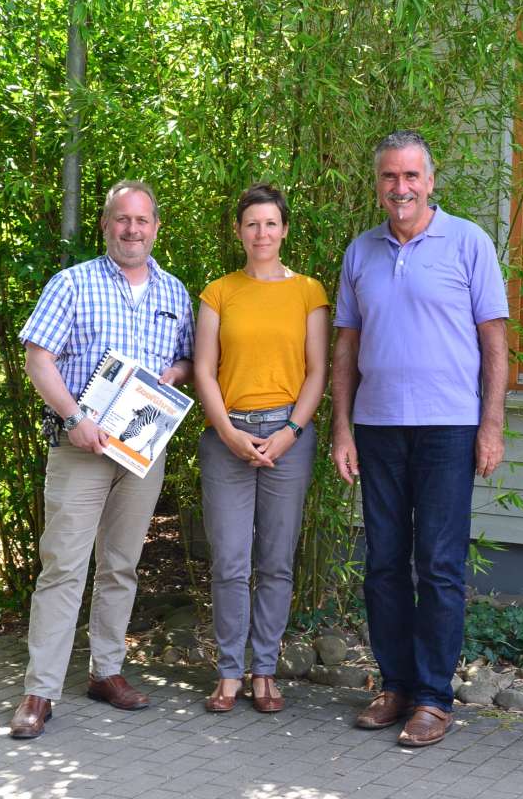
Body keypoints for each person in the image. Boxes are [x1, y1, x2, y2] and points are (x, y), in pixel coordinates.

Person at [332, 131, 509, 747]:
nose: (400, 188)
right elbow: (347, 349)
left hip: (449, 430)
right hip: (378, 430)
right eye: (389, 177)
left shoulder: (468, 242)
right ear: (377, 184)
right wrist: (341, 431)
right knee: (382, 565)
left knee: (437, 567)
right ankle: (395, 686)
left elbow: (494, 343)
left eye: (411, 176)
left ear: (430, 182)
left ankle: (434, 698)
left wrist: (491, 426)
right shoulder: (361, 252)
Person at [10, 181, 195, 738]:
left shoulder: (175, 292)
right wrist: (73, 418)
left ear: (156, 227)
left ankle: (106, 672)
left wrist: (175, 375)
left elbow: (187, 358)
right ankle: (39, 691)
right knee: (64, 565)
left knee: (121, 564)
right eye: (122, 219)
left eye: (142, 220)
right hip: (81, 447)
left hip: (142, 450)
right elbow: (37, 358)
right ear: (106, 225)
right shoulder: (72, 283)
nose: (132, 229)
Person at [194, 183, 329, 713]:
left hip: (287, 437)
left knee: (276, 561)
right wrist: (226, 430)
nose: (261, 233)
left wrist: (290, 431)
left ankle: (265, 671)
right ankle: (229, 671)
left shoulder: (308, 292)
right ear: (238, 231)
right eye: (252, 224)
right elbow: (204, 369)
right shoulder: (218, 292)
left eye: (271, 223)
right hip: (228, 435)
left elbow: (317, 370)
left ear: (284, 230)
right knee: (229, 561)